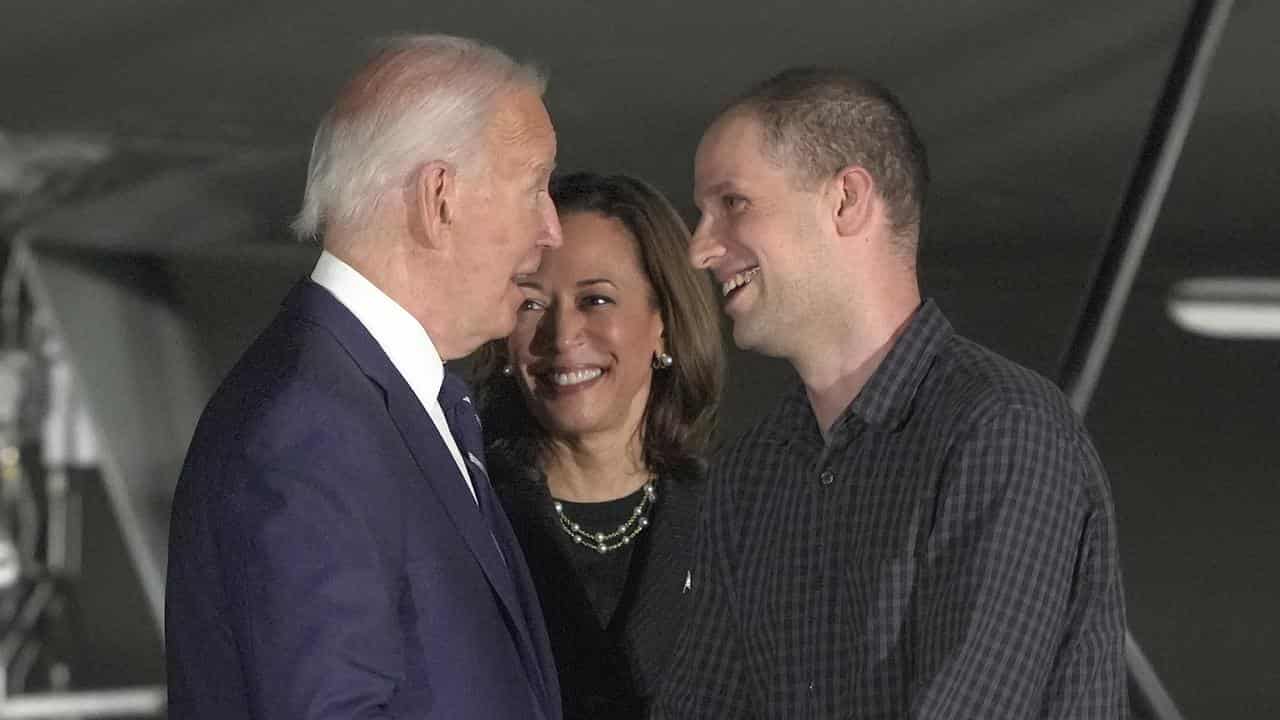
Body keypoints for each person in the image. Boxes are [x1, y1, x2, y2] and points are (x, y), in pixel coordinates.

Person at [656, 67, 1127, 718]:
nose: (700, 249)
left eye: (732, 203)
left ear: (847, 200)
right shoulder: (751, 474)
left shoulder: (1003, 429)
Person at [165, 35, 564, 719]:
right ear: (439, 199)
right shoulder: (315, 427)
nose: (552, 229)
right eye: (534, 189)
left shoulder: (367, 400)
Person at [471, 171, 724, 719]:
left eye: (597, 299)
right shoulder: (462, 514)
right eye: (532, 304)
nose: (562, 338)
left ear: (664, 322)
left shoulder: (742, 522)